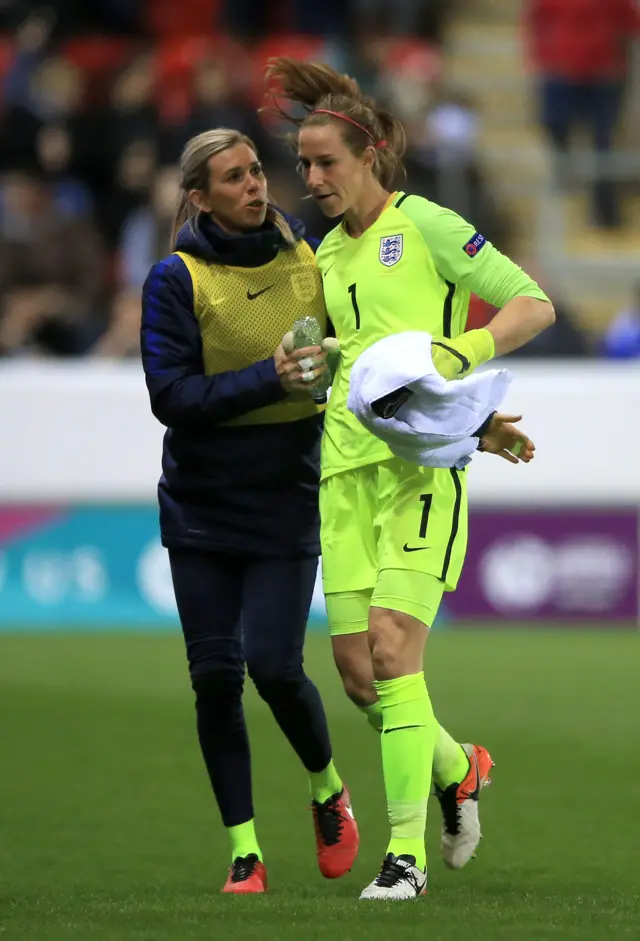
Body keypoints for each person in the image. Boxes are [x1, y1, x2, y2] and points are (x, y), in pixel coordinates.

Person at [265, 58, 555, 900]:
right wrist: (304, 365)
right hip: (343, 475)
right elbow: (348, 370)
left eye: (326, 163)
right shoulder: (323, 254)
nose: (312, 178)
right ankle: (460, 768)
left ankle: (405, 857)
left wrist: (464, 363)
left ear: (372, 153)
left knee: (395, 652)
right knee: (360, 674)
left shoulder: (425, 225)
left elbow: (529, 302)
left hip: (420, 473)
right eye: (305, 165)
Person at [139, 128, 359, 894]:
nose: (255, 185)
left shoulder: (311, 259)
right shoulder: (177, 279)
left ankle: (328, 786)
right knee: (214, 678)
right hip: (202, 504)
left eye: (257, 171)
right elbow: (172, 398)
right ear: (199, 197)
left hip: (286, 494)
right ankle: (245, 850)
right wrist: (270, 380)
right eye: (233, 178)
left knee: (274, 664)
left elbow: (357, 353)